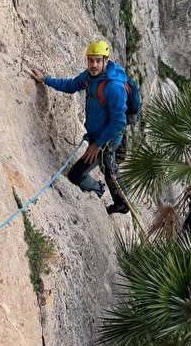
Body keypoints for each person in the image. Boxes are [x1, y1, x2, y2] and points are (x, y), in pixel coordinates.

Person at [30, 38, 131, 214]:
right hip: (98, 137)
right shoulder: (89, 77)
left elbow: (119, 122)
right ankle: (122, 202)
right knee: (109, 167)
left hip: (106, 141)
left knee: (79, 174)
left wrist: (97, 145)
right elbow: (71, 85)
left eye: (98, 60)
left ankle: (102, 191)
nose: (94, 65)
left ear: (106, 61)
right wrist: (46, 79)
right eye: (91, 60)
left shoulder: (114, 87)